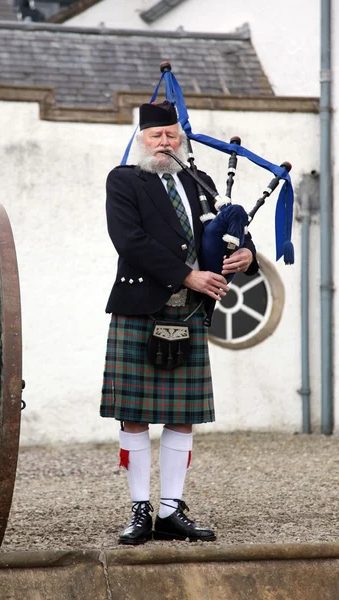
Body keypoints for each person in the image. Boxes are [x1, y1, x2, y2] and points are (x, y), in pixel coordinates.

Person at [100, 100, 258, 545]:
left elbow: (230, 234)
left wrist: (247, 257)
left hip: (189, 311)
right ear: (142, 140)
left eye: (171, 134)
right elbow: (129, 241)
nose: (165, 142)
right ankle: (139, 509)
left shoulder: (200, 182)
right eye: (156, 136)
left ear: (181, 138)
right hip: (141, 307)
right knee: (134, 416)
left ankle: (170, 511)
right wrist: (188, 273)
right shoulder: (125, 180)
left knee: (181, 417)